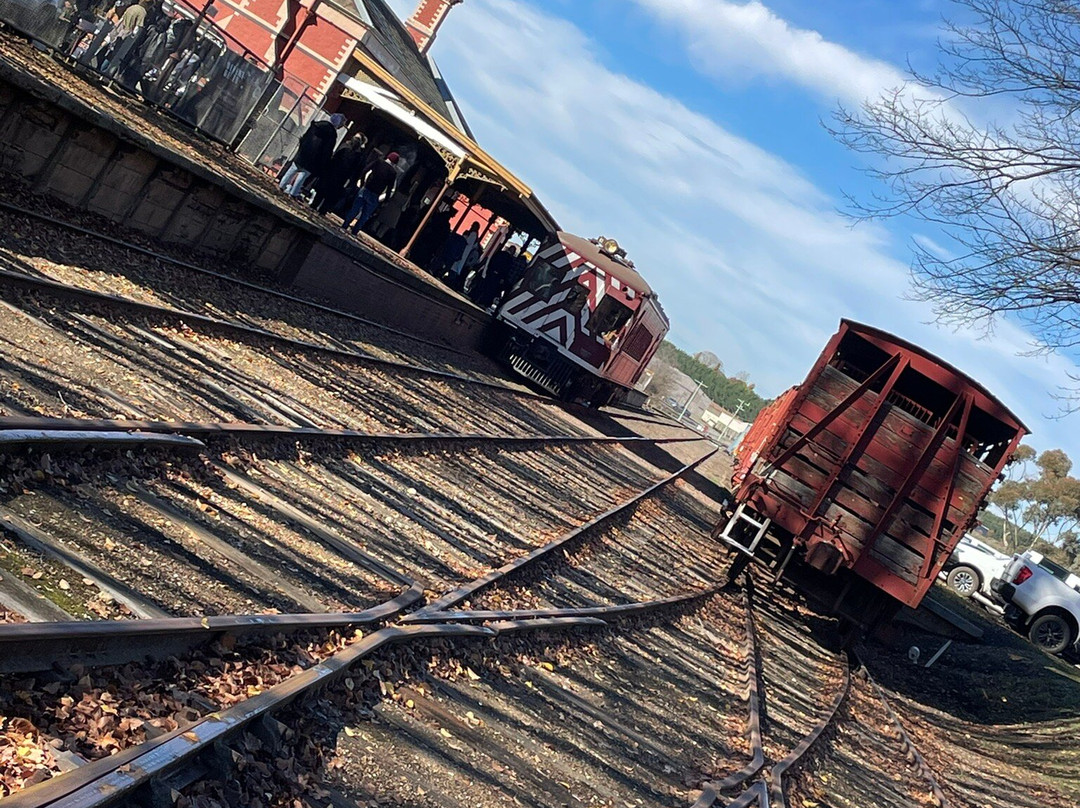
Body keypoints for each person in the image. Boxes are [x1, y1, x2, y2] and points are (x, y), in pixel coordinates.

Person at [279, 113, 345, 199]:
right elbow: (327, 150)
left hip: (304, 152)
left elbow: (304, 137)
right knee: (303, 175)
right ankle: (293, 192)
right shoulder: (332, 134)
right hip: (314, 158)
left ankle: (282, 185)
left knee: (293, 169)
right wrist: (324, 161)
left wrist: (301, 148)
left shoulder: (317, 125)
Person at [343, 151, 399, 235]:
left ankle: (345, 224)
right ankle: (355, 230)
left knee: (355, 208)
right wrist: (386, 200)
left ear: (388, 157)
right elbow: (389, 188)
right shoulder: (393, 173)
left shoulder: (378, 162)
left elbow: (365, 170)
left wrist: (362, 183)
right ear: (395, 162)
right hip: (375, 194)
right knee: (365, 215)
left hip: (366, 188)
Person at [311, 133, 366, 215]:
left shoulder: (345, 147)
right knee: (329, 194)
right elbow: (356, 169)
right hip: (340, 176)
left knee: (323, 191)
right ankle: (322, 210)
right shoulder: (358, 155)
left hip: (333, 173)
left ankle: (315, 206)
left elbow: (334, 157)